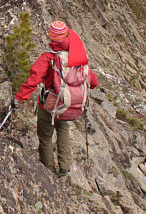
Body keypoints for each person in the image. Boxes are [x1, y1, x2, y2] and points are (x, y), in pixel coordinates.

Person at [12, 20, 98, 176]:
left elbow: (34, 80)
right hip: (68, 105)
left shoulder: (49, 57)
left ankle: (48, 170)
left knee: (45, 136)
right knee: (63, 129)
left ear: (52, 38)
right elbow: (93, 81)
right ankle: (64, 167)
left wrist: (19, 98)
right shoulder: (78, 57)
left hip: (50, 105)